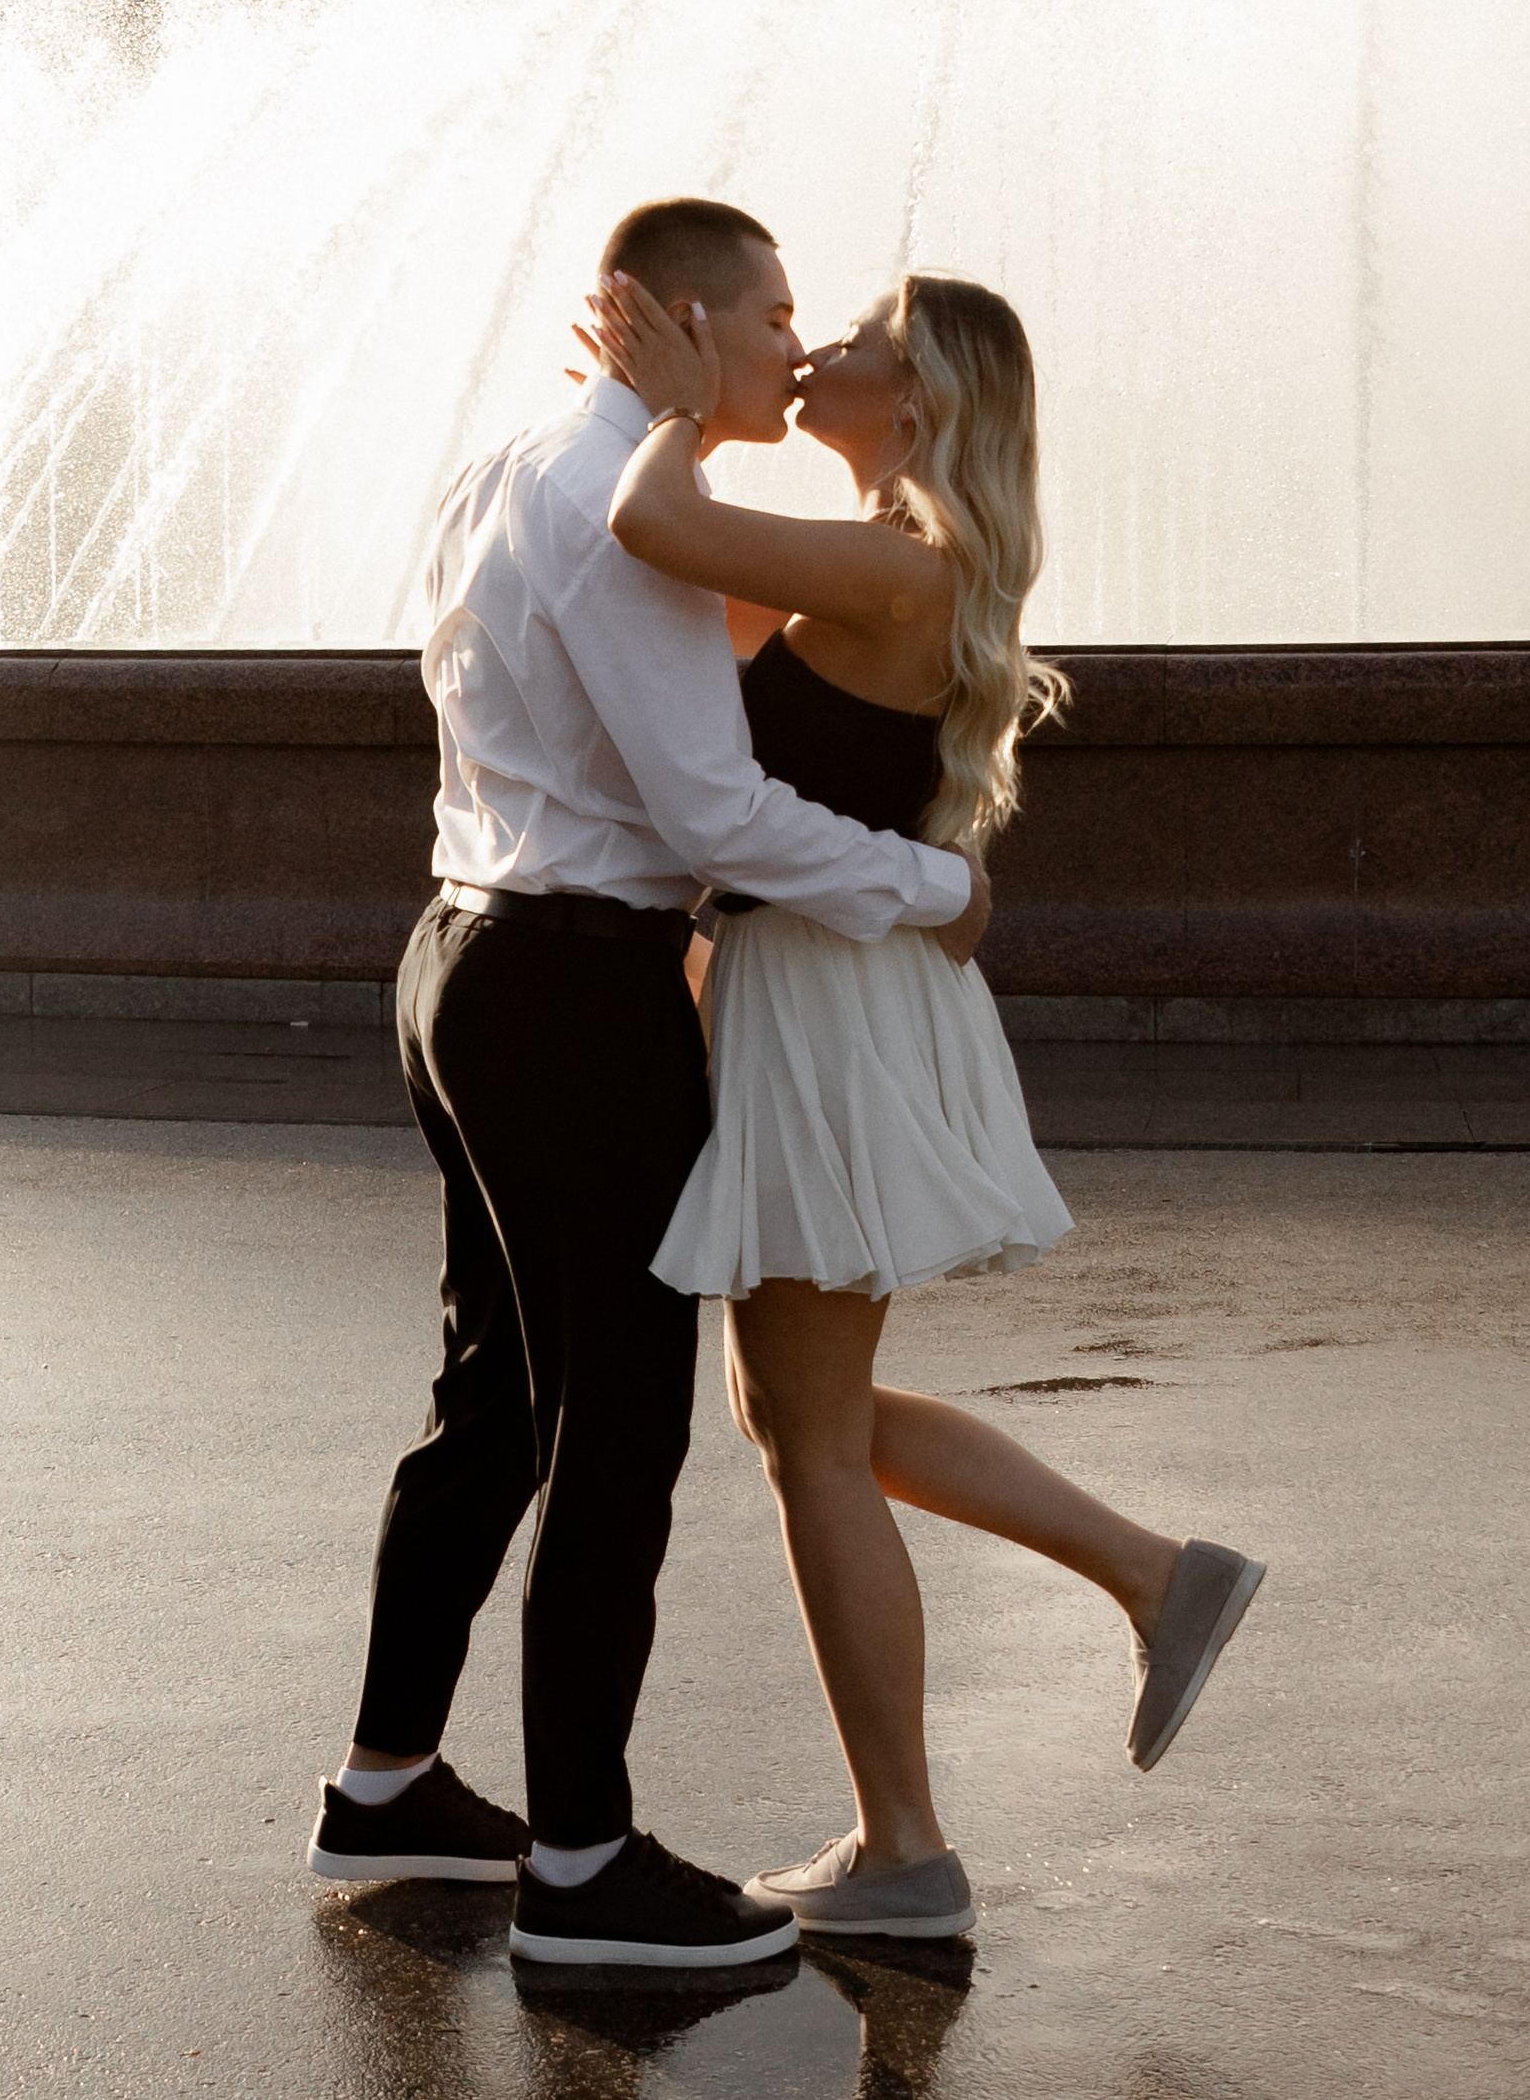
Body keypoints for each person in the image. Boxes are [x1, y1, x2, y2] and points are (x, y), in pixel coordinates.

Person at [306, 198, 995, 1973]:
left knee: (489, 1396)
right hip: (572, 991)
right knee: (615, 1427)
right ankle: (585, 1868)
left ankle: (388, 1780)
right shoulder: (618, 507)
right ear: (681, 322)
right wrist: (934, 888)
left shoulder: (521, 460)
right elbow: (713, 813)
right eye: (771, 316)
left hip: (459, 953)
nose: (792, 343)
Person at [586, 261, 1266, 1948]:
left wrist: (674, 403)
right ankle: (1152, 1573)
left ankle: (907, 1846)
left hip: (828, 1004)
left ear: (924, 403)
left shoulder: (897, 558)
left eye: (861, 349)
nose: (818, 353)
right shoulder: (887, 562)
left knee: (808, 1430)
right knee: (798, 1414)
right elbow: (698, 625)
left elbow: (656, 524)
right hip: (835, 991)